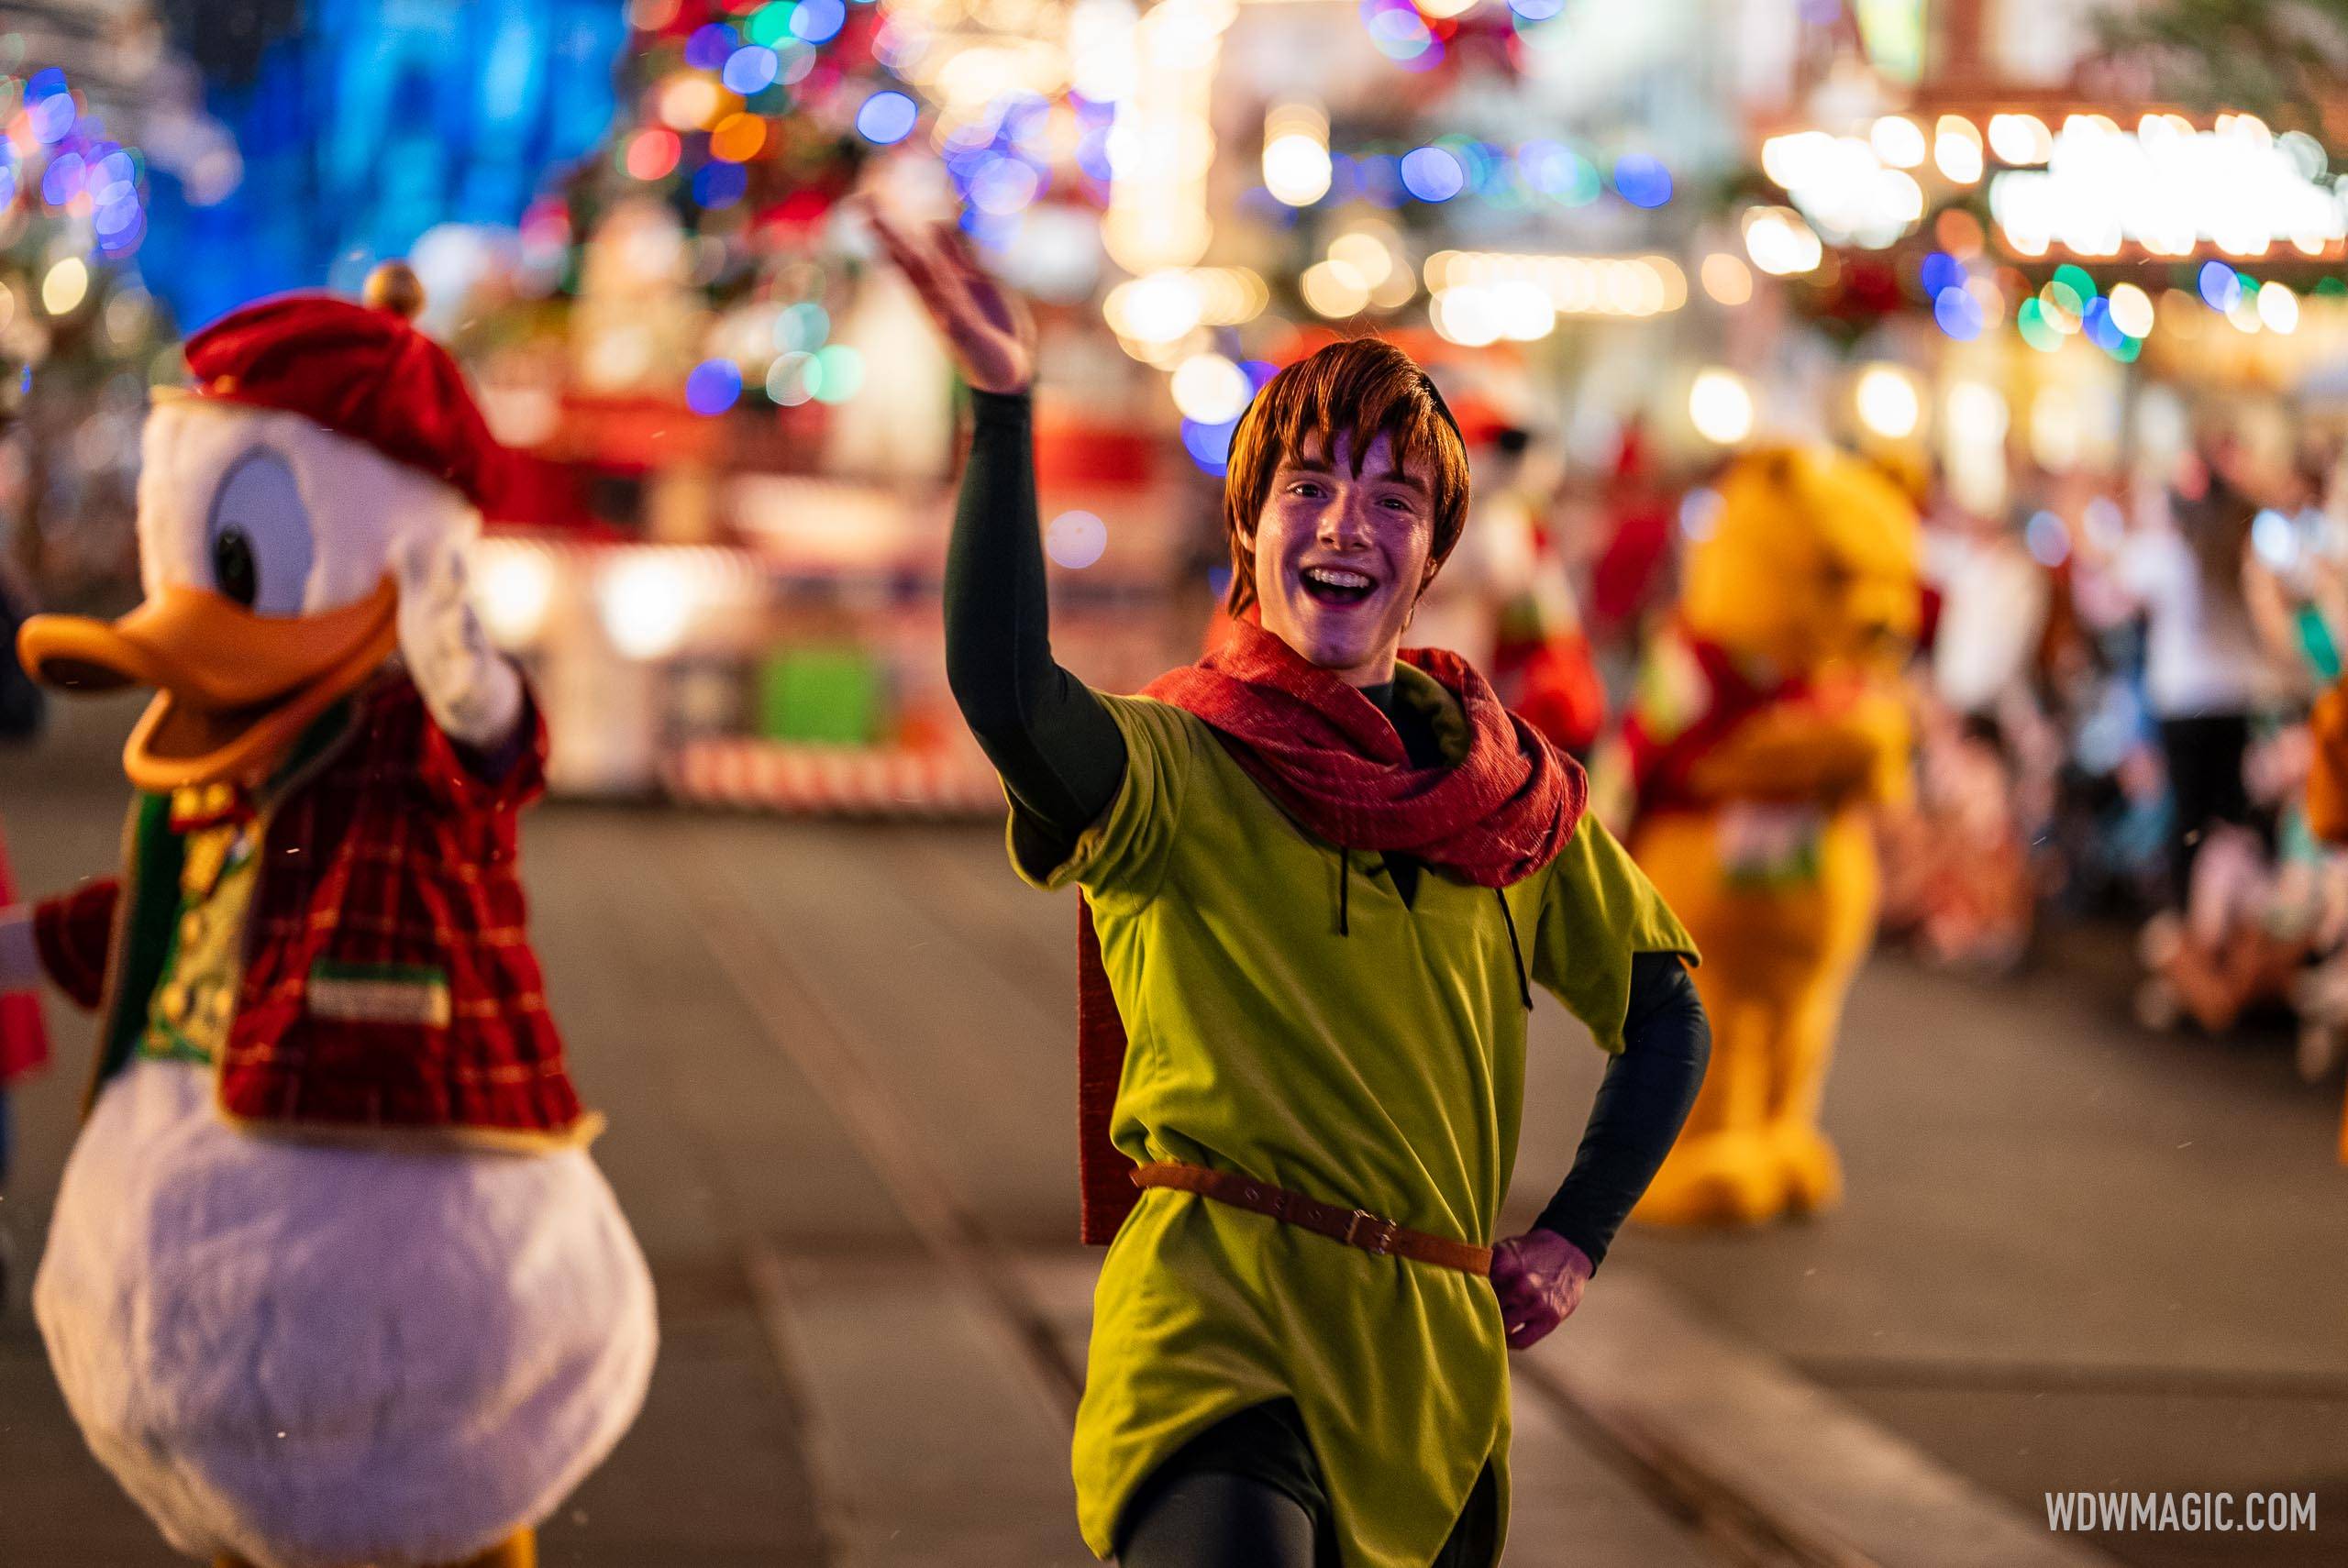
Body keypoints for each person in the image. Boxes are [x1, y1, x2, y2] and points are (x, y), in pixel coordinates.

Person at [869, 208, 1708, 1568]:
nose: (1345, 524)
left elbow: (1667, 1013)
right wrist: (1004, 411)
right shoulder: (1176, 766)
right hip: (1217, 1331)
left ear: (1431, 557)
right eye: (1307, 488)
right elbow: (1010, 696)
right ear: (1250, 529)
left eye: (1393, 499)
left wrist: (1575, 1233)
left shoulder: (1512, 801)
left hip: (1424, 1370)